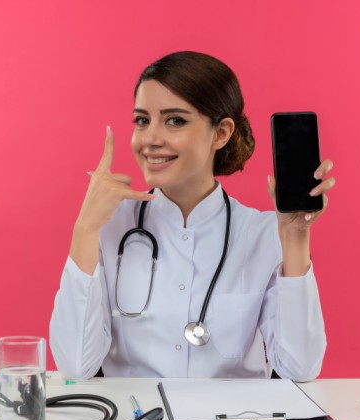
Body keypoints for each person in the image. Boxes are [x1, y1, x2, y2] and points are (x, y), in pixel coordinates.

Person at [50, 51, 335, 382]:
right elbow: (74, 366)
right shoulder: (109, 226)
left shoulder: (261, 233)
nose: (151, 139)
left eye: (175, 120)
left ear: (221, 133)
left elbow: (300, 369)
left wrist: (296, 237)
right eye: (142, 120)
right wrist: (84, 228)